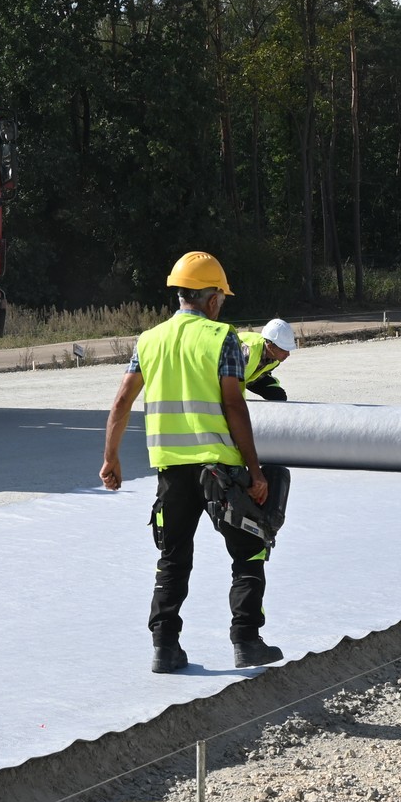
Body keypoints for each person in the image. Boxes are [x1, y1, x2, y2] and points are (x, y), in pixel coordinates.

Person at [100, 251, 283, 674]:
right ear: (212, 297)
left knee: (173, 557)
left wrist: (111, 458)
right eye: (222, 295)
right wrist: (255, 473)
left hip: (170, 470)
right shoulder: (223, 338)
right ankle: (247, 641)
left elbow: (122, 401)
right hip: (219, 468)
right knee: (250, 550)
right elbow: (235, 407)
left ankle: (165, 649)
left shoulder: (148, 340)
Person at [237, 318, 296, 401]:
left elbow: (263, 372)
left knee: (278, 396)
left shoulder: (276, 358)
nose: (288, 354)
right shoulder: (248, 351)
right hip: (230, 377)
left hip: (249, 377)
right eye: (283, 349)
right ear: (270, 346)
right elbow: (227, 378)